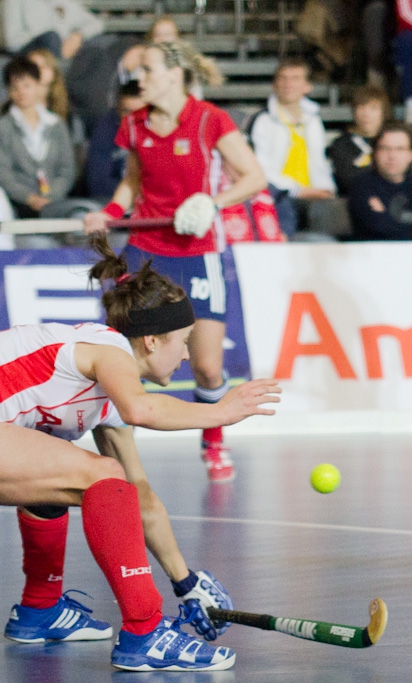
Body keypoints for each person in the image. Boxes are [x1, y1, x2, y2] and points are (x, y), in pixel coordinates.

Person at [0, 233, 280, 669]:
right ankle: (144, 633)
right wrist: (220, 412)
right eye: (183, 340)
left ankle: (39, 609)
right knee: (97, 473)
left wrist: (185, 581)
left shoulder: (109, 392)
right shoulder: (109, 349)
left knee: (80, 477)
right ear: (152, 341)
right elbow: (141, 408)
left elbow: (138, 497)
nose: (187, 356)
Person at [81, 40, 267, 483]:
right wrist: (108, 214)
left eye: (146, 69)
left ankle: (213, 440)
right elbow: (131, 182)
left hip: (198, 252)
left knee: (206, 365)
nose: (138, 78)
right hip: (146, 250)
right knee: (123, 358)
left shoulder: (210, 119)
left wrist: (212, 202)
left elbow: (256, 178)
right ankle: (120, 456)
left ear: (174, 74)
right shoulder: (135, 123)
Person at [249, 56, 337, 237]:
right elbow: (259, 169)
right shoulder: (262, 120)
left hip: (313, 196)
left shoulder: (314, 121)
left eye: (295, 78)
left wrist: (326, 187)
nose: (288, 84)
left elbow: (320, 162)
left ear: (307, 86)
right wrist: (297, 190)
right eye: (283, 78)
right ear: (274, 84)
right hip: (278, 196)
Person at [0, 56, 76, 219]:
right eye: (15, 87)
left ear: (37, 85)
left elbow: (67, 169)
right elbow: (4, 173)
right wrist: (29, 198)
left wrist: (50, 197)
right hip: (17, 208)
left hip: (56, 205)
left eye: (26, 85)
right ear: (8, 91)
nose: (21, 92)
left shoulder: (56, 124)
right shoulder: (3, 128)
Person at [85, 80, 147, 201]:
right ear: (117, 109)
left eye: (139, 112)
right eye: (126, 111)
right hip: (111, 202)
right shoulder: (105, 129)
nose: (132, 118)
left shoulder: (157, 129)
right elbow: (98, 183)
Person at [328, 85, 389, 196]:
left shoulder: (392, 142)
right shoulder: (341, 144)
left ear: (383, 113)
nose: (366, 114)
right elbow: (346, 180)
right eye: (361, 107)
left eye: (373, 108)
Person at [1, 0, 103, 58]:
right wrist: (47, 39)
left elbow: (97, 23)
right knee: (51, 37)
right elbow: (11, 41)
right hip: (28, 54)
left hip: (63, 51)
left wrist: (78, 35)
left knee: (104, 42)